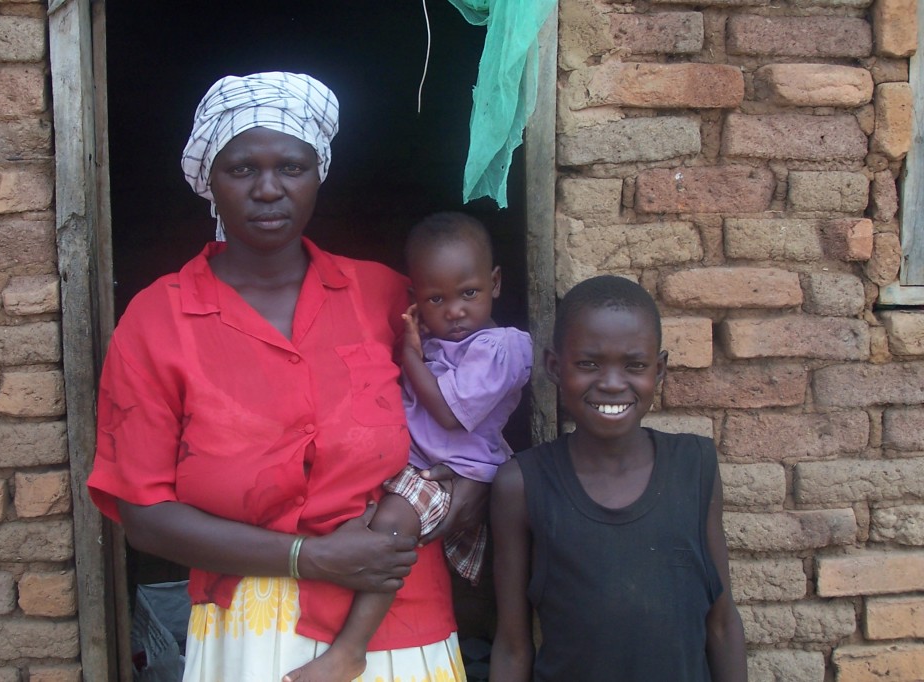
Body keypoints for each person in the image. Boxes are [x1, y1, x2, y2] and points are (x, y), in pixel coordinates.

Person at [87, 72, 481, 682]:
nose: (268, 189)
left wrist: (436, 509)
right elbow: (144, 513)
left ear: (318, 172)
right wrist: (312, 558)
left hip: (399, 619)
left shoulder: (385, 297)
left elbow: (478, 423)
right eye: (242, 168)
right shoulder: (158, 319)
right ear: (209, 180)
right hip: (248, 628)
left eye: (291, 168)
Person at [286, 212, 532, 682]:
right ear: (416, 301)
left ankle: (350, 650)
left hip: (458, 474)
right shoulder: (442, 344)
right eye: (436, 299)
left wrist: (411, 353)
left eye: (469, 293)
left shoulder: (500, 349)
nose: (455, 310)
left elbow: (444, 412)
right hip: (416, 469)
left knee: (396, 523)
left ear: (496, 283)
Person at [489, 275, 747, 682]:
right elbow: (512, 644)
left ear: (658, 369)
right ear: (555, 366)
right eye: (588, 364)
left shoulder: (694, 468)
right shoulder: (522, 485)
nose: (611, 383)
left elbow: (721, 622)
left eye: (635, 366)